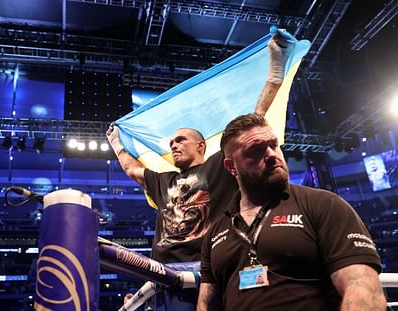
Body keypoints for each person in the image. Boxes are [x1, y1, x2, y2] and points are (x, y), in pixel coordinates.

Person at [107, 30, 293, 265]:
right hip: (164, 268)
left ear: (201, 145)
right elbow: (132, 170)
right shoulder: (164, 180)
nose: (174, 145)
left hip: (209, 264)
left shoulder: (220, 166)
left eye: (181, 140)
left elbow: (255, 118)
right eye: (171, 142)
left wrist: (275, 72)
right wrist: (116, 142)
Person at [197, 113, 386, 310]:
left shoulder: (324, 204)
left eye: (274, 145)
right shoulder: (215, 231)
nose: (271, 154)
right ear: (231, 167)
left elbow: (363, 289)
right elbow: (206, 303)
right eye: (256, 150)